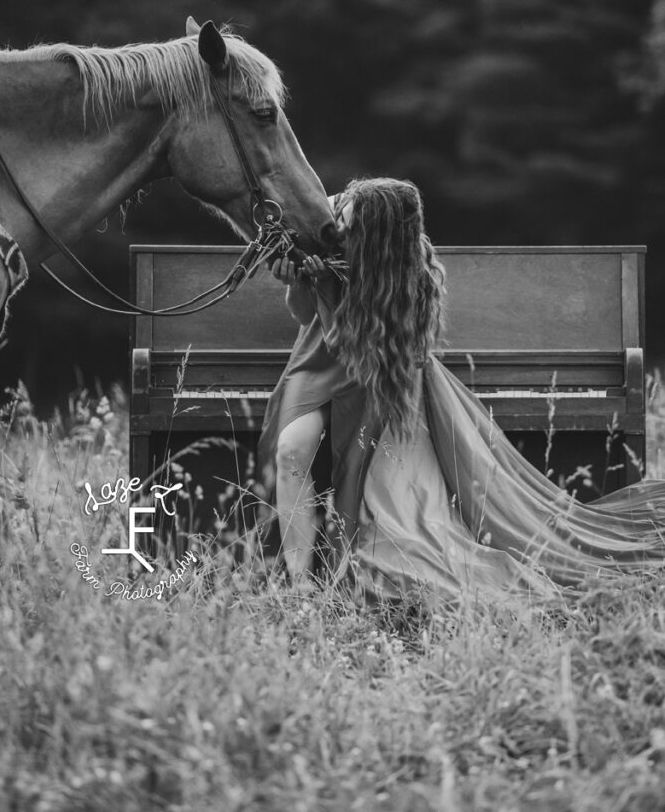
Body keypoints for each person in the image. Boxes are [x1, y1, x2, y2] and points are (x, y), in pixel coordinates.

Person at [259, 178, 665, 606]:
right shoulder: (324, 220)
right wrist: (297, 281)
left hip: (376, 373)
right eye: (341, 212)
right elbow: (303, 315)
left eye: (349, 222)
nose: (338, 224)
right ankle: (298, 583)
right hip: (317, 366)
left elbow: (368, 347)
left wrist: (329, 289)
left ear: (377, 240)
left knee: (387, 490)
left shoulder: (404, 270)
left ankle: (327, 571)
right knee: (291, 447)